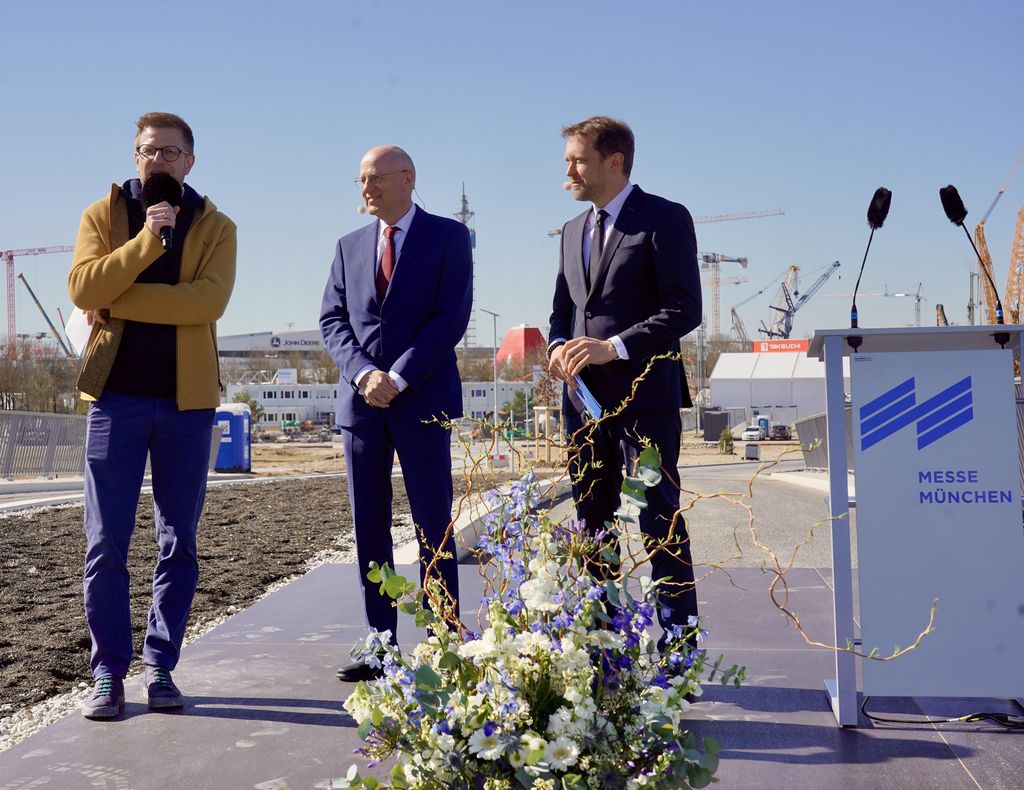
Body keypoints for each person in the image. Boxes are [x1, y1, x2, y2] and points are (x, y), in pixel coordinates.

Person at [68, 112, 236, 718]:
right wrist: (144, 243)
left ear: (190, 160)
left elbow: (206, 303)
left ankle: (161, 665)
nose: (157, 159)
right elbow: (82, 289)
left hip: (188, 405)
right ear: (134, 156)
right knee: (105, 542)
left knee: (178, 541)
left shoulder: (217, 225)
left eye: (169, 151)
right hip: (115, 401)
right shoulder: (103, 215)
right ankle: (108, 673)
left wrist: (118, 300)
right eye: (147, 150)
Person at [546, 116, 702, 647]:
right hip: (583, 403)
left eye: (578, 160)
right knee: (592, 520)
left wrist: (612, 347)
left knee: (658, 519)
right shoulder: (571, 231)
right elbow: (562, 312)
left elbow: (685, 308)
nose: (568, 171)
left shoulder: (664, 218)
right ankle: (603, 641)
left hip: (646, 400)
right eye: (568, 161)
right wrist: (557, 348)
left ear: (614, 162)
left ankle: (678, 646)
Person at [320, 145, 473, 682]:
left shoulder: (449, 237)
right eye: (361, 180)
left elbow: (450, 317)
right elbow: (333, 320)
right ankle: (380, 644)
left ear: (407, 178)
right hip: (362, 406)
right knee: (369, 526)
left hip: (422, 399)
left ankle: (443, 641)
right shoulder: (348, 246)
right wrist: (365, 374)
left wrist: (399, 376)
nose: (367, 188)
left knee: (433, 523)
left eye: (376, 178)